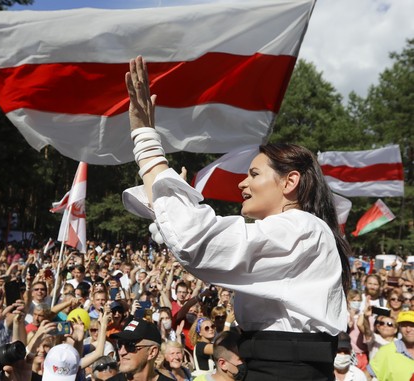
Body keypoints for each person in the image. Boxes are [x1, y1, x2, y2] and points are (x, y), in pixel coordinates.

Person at [123, 56, 351, 380]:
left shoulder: (303, 229)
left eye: (254, 173)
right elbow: (195, 244)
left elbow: (199, 242)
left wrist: (146, 143)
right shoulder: (296, 230)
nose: (242, 183)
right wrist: (169, 208)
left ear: (290, 181)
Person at [367, 310, 414, 380]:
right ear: (399, 328)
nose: (408, 329)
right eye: (404, 325)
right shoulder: (386, 351)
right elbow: (367, 375)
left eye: (412, 325)